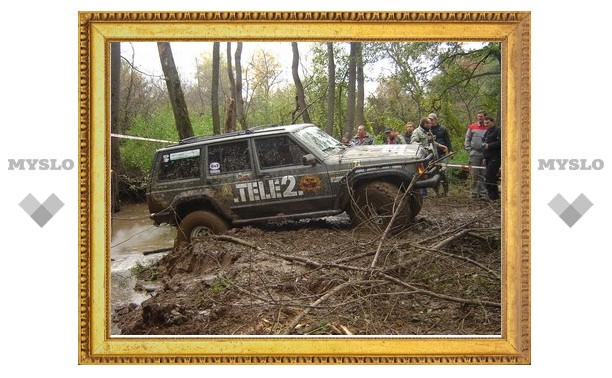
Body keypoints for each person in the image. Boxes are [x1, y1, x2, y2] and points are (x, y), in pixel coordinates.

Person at [464, 111, 488, 199]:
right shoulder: (472, 127)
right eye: (478, 116)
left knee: (483, 174)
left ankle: (483, 193)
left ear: (485, 117)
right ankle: (474, 193)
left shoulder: (488, 127)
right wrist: (469, 150)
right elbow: (467, 138)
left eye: (481, 116)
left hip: (485, 154)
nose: (479, 118)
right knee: (474, 174)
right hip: (474, 153)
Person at [428, 113, 452, 196]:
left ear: (436, 119)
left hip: (442, 154)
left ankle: (446, 191)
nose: (430, 121)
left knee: (443, 172)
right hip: (432, 155)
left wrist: (451, 150)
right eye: (429, 119)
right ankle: (436, 191)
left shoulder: (442, 129)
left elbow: (447, 140)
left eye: (432, 119)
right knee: (434, 173)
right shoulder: (427, 130)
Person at [482, 116, 501, 200]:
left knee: (489, 175)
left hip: (496, 156)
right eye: (485, 123)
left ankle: (492, 195)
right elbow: (484, 143)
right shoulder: (487, 131)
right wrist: (484, 158)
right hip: (488, 157)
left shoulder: (498, 130)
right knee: (489, 176)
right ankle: (492, 195)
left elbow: (500, 142)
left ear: (493, 122)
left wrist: (489, 145)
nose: (486, 124)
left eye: (488, 123)